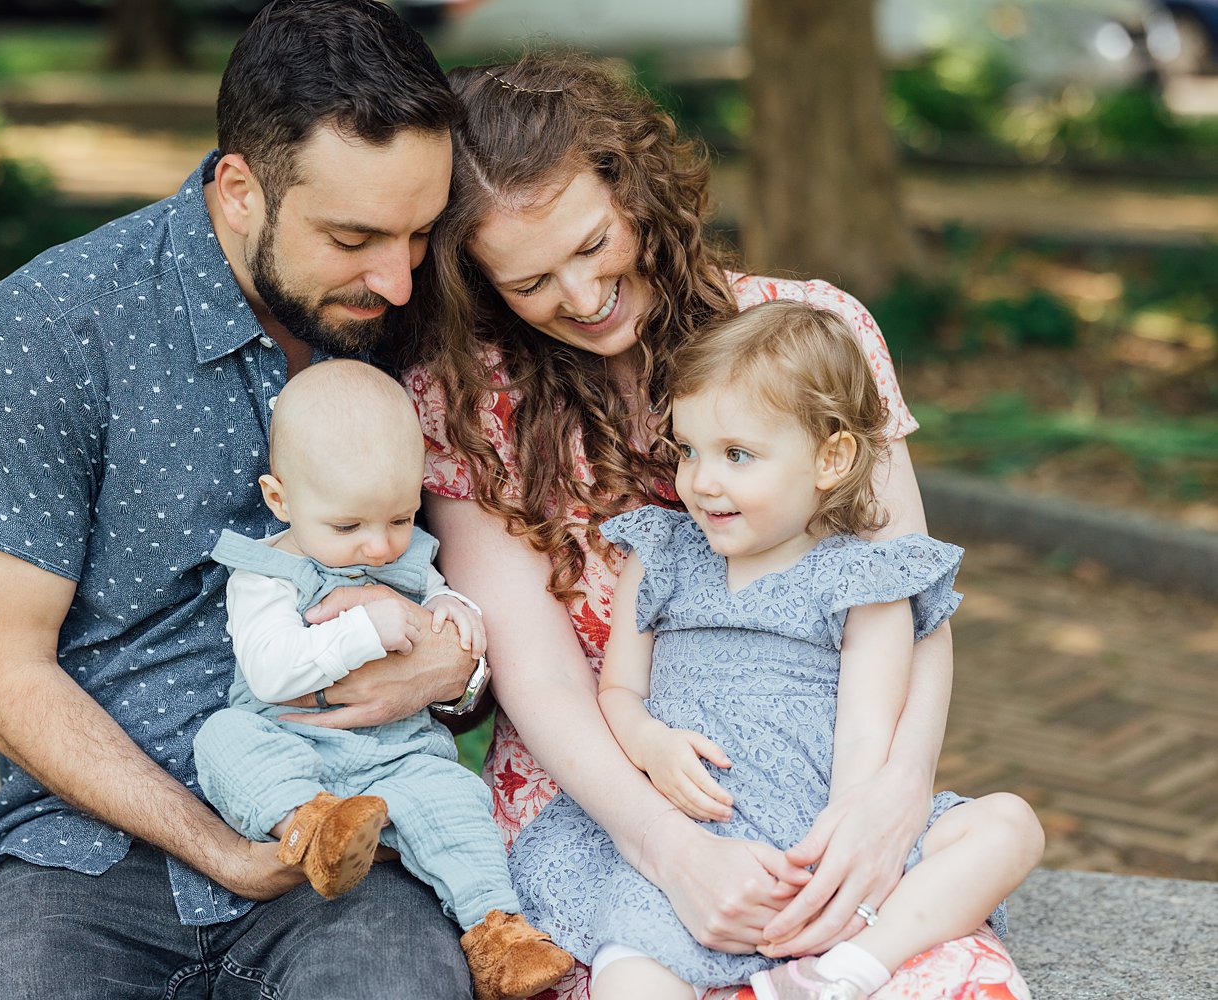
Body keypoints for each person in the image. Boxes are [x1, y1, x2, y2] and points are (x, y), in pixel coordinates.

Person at [395, 53, 1034, 998]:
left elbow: (905, 601)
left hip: (818, 771)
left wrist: (890, 800)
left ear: (635, 189)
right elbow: (539, 673)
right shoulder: (465, 401)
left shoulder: (815, 332)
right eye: (530, 282)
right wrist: (669, 849)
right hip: (605, 793)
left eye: (591, 244)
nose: (578, 296)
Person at [0, 2, 484, 996]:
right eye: (353, 235)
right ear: (239, 189)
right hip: (89, 849)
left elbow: (492, 590)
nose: (398, 280)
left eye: (420, 232)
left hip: (358, 827)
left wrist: (457, 664)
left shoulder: (421, 318)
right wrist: (222, 847)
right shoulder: (53, 325)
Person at [505, 300, 1044, 999]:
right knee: (629, 971)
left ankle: (850, 966)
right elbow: (619, 689)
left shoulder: (864, 579)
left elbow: (865, 732)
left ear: (831, 458)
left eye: (737, 455)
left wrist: (840, 843)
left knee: (1009, 827)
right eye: (689, 449)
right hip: (704, 826)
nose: (701, 480)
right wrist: (649, 743)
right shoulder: (662, 553)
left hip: (818, 821)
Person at [192, 359, 573, 1000]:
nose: (379, 547)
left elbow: (445, 613)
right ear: (280, 498)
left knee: (456, 806)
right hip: (294, 745)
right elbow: (269, 669)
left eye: (400, 518)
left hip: (398, 757)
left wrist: (456, 610)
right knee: (223, 740)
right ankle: (314, 828)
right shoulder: (264, 573)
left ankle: (497, 930)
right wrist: (367, 627)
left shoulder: (408, 555)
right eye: (349, 527)